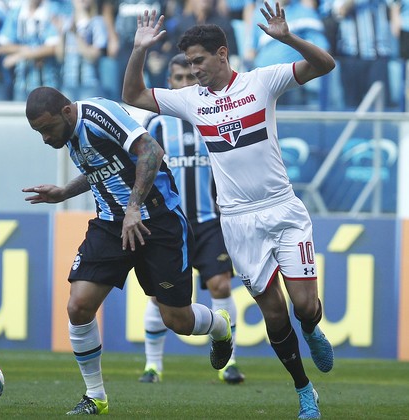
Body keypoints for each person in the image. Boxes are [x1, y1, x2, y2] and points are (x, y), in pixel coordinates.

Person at [122, 5, 335, 419]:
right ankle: (304, 390)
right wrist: (139, 50)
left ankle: (311, 328)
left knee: (305, 305)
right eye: (189, 63)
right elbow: (132, 95)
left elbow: (324, 64)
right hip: (237, 221)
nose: (194, 69)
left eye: (200, 61)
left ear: (222, 54)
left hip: (283, 209)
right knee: (273, 311)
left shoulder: (262, 82)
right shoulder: (191, 101)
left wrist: (287, 38)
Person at [23, 86, 233, 415]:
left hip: (158, 222)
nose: (46, 138)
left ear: (66, 112)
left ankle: (220, 326)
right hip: (110, 225)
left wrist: (134, 206)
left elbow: (151, 150)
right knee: (78, 306)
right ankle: (96, 396)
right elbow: (100, 169)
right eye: (38, 133)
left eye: (48, 129)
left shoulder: (98, 115)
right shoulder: (71, 134)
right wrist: (65, 192)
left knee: (177, 320)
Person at [138, 53, 244, 386]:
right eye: (178, 78)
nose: (184, 83)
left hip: (210, 219)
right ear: (169, 83)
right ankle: (153, 366)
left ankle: (229, 362)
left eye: (189, 78)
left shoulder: (212, 115)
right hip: (170, 223)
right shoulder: (155, 124)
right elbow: (141, 170)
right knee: (159, 296)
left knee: (220, 285)